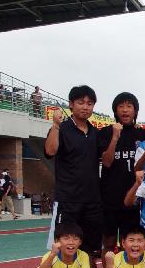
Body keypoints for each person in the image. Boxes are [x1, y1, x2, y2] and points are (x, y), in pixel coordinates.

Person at [45, 86, 110, 258]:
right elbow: (50, 151)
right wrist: (55, 125)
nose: (85, 107)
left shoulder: (96, 133)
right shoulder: (62, 128)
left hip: (92, 201)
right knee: (63, 245)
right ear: (71, 104)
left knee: (90, 247)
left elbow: (107, 160)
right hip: (68, 200)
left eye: (90, 103)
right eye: (81, 102)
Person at [99, 92, 145, 253]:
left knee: (128, 244)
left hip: (133, 200)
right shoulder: (106, 132)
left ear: (135, 111)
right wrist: (115, 137)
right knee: (108, 242)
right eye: (121, 106)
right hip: (109, 198)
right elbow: (107, 162)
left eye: (129, 106)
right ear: (115, 111)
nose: (125, 110)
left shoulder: (143, 135)